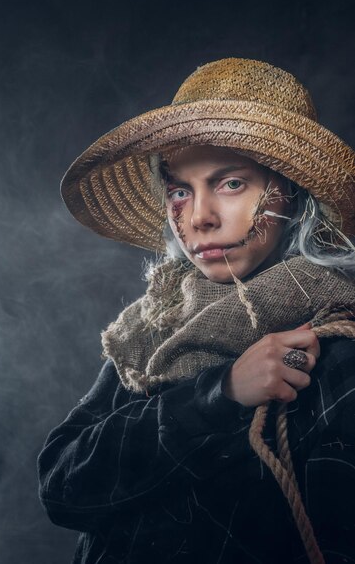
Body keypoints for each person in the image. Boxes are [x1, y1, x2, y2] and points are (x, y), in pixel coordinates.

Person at [38, 58, 355, 564]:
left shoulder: (336, 351)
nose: (200, 217)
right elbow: (62, 486)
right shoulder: (152, 331)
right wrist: (222, 393)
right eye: (180, 190)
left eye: (231, 183)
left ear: (291, 195)